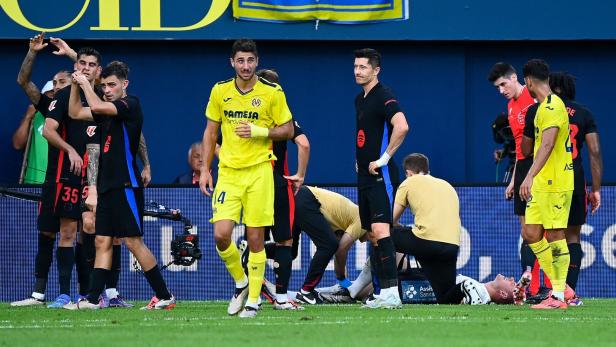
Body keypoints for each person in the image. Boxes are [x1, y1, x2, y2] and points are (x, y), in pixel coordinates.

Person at [65, 61, 175, 310]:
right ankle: (93, 300)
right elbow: (73, 112)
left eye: (112, 84)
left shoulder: (130, 104)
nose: (107, 89)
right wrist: (75, 85)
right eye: (103, 85)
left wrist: (85, 83)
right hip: (106, 187)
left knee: (133, 242)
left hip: (126, 185)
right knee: (102, 241)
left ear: (124, 84)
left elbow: (94, 104)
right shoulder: (105, 112)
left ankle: (165, 295)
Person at [200, 39, 294, 318]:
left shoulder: (272, 92)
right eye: (240, 60)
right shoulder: (220, 91)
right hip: (228, 172)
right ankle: (241, 282)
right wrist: (205, 169)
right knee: (220, 234)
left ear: (257, 62)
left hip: (259, 172)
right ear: (232, 62)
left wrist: (260, 131)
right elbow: (210, 133)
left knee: (255, 239)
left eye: (250, 60)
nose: (245, 66)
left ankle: (253, 300)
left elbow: (287, 129)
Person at [521, 72, 603, 306]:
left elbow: (527, 149)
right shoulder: (584, 113)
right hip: (575, 178)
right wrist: (596, 189)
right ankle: (567, 290)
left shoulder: (539, 110)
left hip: (552, 178)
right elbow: (595, 151)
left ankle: (560, 292)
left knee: (551, 234)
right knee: (571, 236)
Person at [9, 33, 75, 307]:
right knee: (47, 233)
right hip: (52, 179)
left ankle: (72, 293)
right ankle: (38, 294)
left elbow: (97, 73)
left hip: (78, 179)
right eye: (55, 83)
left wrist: (73, 56)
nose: (56, 87)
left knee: (76, 235)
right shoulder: (49, 106)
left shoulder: (88, 107)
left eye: (62, 82)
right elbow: (23, 81)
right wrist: (32, 52)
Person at [353, 48, 409, 309]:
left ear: (376, 70)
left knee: (381, 231)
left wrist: (384, 158)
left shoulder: (384, 95)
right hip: (364, 176)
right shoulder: (360, 99)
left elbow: (402, 126)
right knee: (372, 236)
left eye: (363, 67)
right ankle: (382, 291)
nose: (358, 71)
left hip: (381, 175)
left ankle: (391, 294)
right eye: (356, 66)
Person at [519, 59, 574, 309]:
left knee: (554, 234)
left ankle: (558, 296)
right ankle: (561, 285)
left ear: (529, 80)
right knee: (530, 233)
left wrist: (528, 175)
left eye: (524, 82)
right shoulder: (541, 107)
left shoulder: (552, 107)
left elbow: (549, 144)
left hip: (556, 181)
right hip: (542, 182)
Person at [255, 68, 310, 310]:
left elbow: (217, 141)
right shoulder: (284, 118)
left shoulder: (246, 114)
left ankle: (252, 294)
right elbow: (304, 144)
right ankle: (281, 297)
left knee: (254, 239)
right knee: (284, 241)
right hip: (277, 180)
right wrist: (299, 175)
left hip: (251, 180)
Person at [487, 62, 538, 279]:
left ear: (515, 77)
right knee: (526, 231)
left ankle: (554, 286)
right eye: (497, 87)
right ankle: (529, 278)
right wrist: (514, 180)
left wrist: (531, 175)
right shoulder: (510, 107)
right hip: (524, 168)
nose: (501, 90)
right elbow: (519, 148)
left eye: (503, 84)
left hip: (541, 168)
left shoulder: (534, 98)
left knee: (547, 232)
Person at [390, 153, 463, 304]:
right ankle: (469, 287)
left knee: (381, 235)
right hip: (452, 246)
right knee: (446, 298)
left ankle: (382, 292)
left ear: (409, 173)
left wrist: (399, 228)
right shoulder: (447, 185)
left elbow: (390, 221)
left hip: (426, 241)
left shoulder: (408, 182)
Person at [291, 186, 366, 305]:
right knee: (328, 245)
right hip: (307, 199)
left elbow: (339, 249)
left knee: (289, 251)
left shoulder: (348, 221)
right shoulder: (363, 221)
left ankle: (254, 255)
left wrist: (342, 279)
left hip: (300, 197)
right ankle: (306, 291)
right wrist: (343, 280)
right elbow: (340, 250)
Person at [13, 81, 54, 184]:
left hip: (59, 183)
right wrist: (27, 117)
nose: (55, 97)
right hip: (34, 181)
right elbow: (17, 145)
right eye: (51, 93)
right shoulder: (35, 116)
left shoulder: (69, 116)